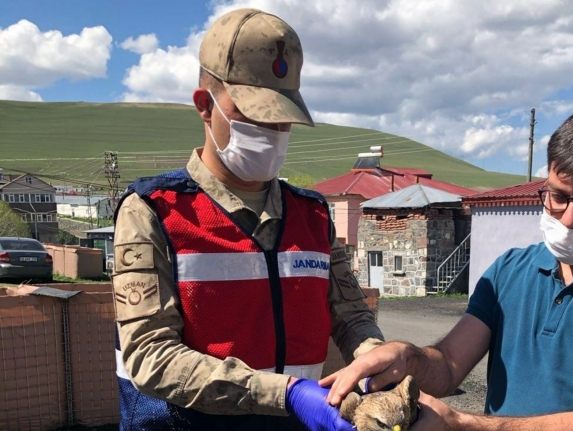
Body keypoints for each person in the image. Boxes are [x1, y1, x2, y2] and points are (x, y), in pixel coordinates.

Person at [322, 104, 573, 431]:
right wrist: (408, 357)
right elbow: (450, 365)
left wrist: (459, 424)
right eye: (557, 196)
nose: (569, 219)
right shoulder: (510, 270)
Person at [111, 8, 383, 430]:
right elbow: (150, 355)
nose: (271, 132)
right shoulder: (155, 211)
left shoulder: (312, 216)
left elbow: (352, 317)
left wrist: (375, 365)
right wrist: (287, 394)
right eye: (254, 116)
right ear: (205, 106)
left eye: (281, 119)